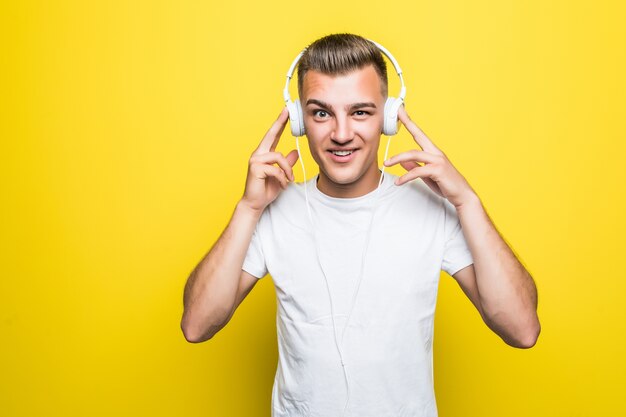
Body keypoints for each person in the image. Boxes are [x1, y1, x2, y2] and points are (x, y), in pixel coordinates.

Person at [181, 33, 541, 417]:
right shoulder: (273, 210)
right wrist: (248, 208)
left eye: (360, 112)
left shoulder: (432, 209)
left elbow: (522, 330)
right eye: (321, 113)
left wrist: (467, 200)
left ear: (388, 118)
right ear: (300, 120)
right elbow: (197, 326)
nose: (340, 133)